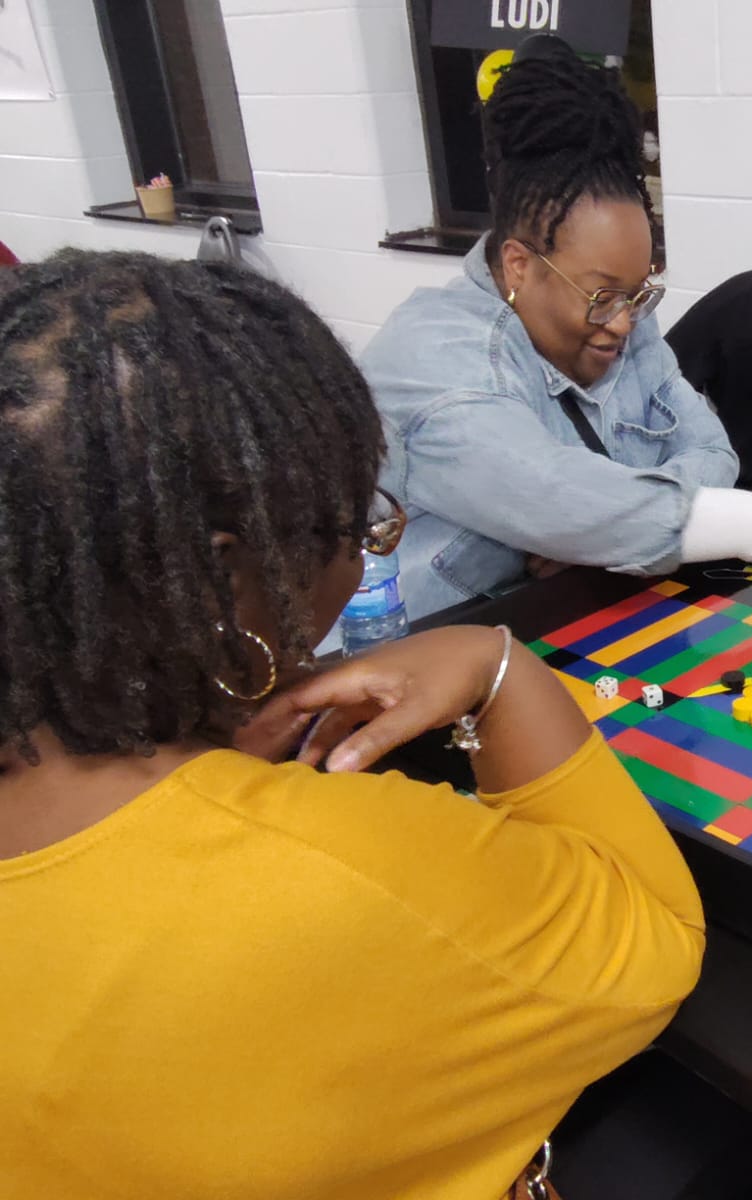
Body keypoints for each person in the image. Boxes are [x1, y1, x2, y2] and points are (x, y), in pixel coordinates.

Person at [0, 250, 706, 1197]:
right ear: (226, 580)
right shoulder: (345, 871)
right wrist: (497, 666)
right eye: (357, 523)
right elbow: (655, 940)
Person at [363, 36, 752, 620]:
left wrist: (606, 528)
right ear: (519, 265)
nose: (625, 322)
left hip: (560, 619)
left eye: (638, 295)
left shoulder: (622, 321)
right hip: (405, 653)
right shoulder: (437, 364)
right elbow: (554, 499)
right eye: (603, 295)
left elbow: (712, 450)